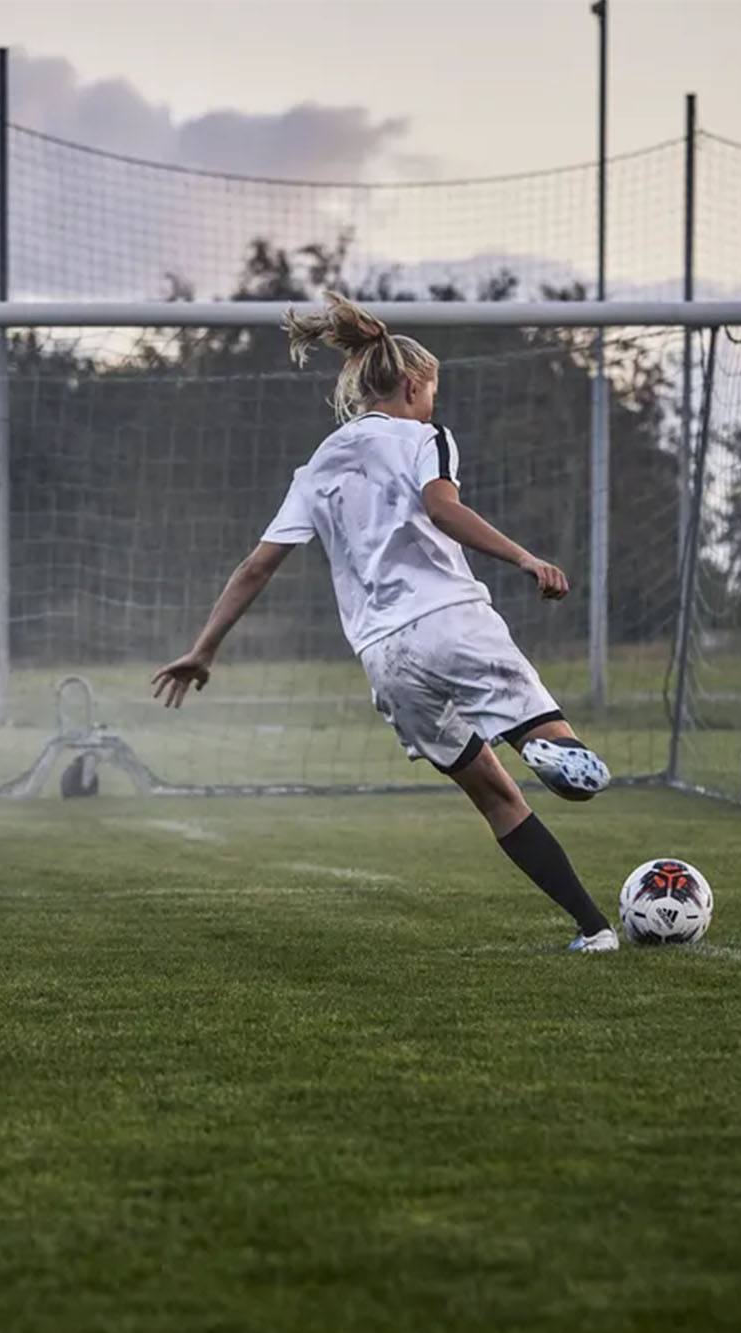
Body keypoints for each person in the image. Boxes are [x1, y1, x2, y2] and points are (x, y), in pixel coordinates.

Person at [151, 292, 619, 952]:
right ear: (410, 384)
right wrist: (522, 556)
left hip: (385, 657)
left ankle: (594, 929)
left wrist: (203, 649)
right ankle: (552, 747)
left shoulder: (317, 467)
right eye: (432, 392)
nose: (433, 404)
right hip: (452, 620)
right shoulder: (425, 437)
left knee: (497, 800)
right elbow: (441, 507)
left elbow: (256, 566)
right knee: (566, 761)